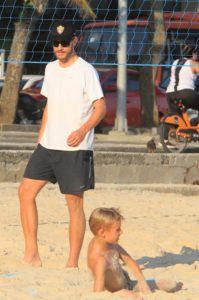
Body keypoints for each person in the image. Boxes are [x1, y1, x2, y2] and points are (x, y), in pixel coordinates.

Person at [18, 20, 106, 268]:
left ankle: (72, 263)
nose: (60, 47)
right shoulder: (50, 68)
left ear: (74, 41)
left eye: (64, 42)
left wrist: (82, 130)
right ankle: (32, 254)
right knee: (25, 193)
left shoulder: (86, 70)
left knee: (74, 204)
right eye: (56, 43)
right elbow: (50, 106)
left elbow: (101, 107)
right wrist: (39, 139)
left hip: (75, 148)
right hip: (47, 145)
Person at [87, 207, 182, 299]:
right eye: (117, 229)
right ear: (102, 232)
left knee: (171, 284)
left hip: (129, 284)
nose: (121, 232)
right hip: (116, 292)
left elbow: (130, 262)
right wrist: (120, 293)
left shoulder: (111, 243)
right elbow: (98, 294)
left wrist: (144, 286)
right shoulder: (100, 260)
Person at [166, 41, 199, 115]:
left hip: (170, 94)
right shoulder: (193, 64)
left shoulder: (175, 62)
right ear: (193, 54)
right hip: (186, 93)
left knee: (178, 117)